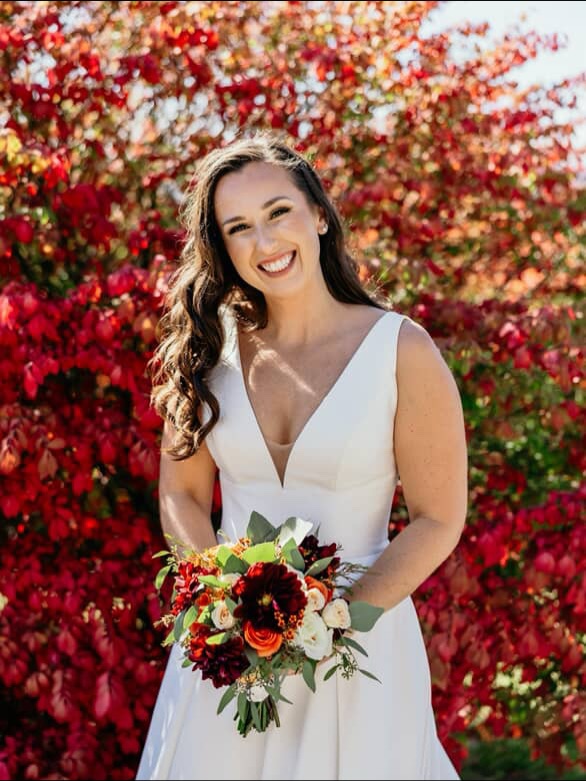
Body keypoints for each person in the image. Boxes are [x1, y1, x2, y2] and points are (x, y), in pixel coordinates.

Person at [136, 130, 468, 780]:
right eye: (238, 228)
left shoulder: (402, 351)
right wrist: (222, 606)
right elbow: (181, 494)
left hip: (360, 656)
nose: (264, 242)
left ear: (318, 214)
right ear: (222, 248)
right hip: (230, 659)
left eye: (278, 212)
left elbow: (438, 517)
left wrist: (336, 626)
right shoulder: (207, 351)